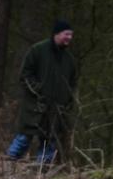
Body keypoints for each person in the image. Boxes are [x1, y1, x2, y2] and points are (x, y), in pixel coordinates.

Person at [6, 20, 77, 164]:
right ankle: (7, 166)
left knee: (49, 143)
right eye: (66, 34)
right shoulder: (37, 50)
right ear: (57, 34)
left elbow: (72, 85)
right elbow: (25, 75)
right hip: (35, 106)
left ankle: (40, 175)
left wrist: (67, 103)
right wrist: (38, 91)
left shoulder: (69, 60)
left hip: (56, 110)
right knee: (24, 138)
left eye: (71, 35)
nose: (69, 37)